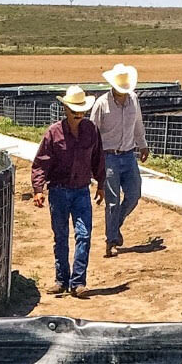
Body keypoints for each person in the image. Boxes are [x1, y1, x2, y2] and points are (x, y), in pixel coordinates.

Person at [30, 85, 106, 298]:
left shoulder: (91, 130)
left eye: (81, 111)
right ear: (65, 109)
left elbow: (98, 158)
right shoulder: (53, 133)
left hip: (82, 191)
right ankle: (61, 280)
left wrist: (101, 184)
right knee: (61, 236)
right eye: (74, 111)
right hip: (58, 191)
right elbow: (41, 162)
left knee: (84, 235)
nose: (78, 115)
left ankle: (78, 282)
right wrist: (38, 189)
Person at [89, 63, 150, 258]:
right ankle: (111, 240)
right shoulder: (102, 104)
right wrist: (92, 159)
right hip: (109, 157)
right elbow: (92, 133)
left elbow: (138, 124)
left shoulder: (134, 100)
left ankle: (115, 226)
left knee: (134, 194)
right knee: (112, 201)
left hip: (129, 155)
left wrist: (143, 144)